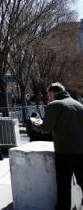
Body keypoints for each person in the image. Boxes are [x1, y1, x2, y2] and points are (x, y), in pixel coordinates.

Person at [32, 82, 83, 210]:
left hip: (65, 151)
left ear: (52, 92)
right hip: (81, 150)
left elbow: (45, 127)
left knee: (64, 185)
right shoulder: (79, 105)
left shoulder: (55, 105)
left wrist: (35, 121)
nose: (49, 98)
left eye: (49, 95)